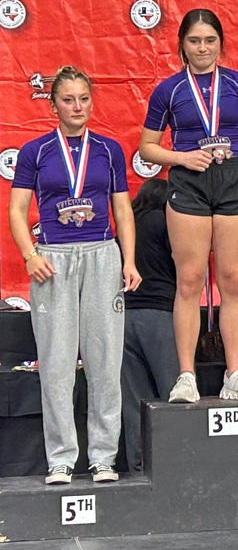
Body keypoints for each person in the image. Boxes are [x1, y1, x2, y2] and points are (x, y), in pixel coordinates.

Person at [8, 65, 141, 485]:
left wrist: (129, 260)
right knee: (57, 364)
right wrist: (29, 255)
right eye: (68, 99)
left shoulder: (109, 149)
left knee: (104, 361)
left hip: (102, 255)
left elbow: (122, 209)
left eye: (84, 98)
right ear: (53, 105)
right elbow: (15, 210)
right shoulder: (36, 151)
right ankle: (61, 458)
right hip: (52, 260)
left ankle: (103, 456)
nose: (77, 106)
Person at [139, 8, 238, 403]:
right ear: (181, 45)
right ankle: (186, 377)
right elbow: (147, 147)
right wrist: (181, 157)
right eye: (194, 41)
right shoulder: (169, 90)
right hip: (188, 185)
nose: (202, 48)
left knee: (231, 280)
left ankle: (234, 374)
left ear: (221, 45)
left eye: (210, 40)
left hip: (234, 184)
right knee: (190, 281)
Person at [121, 178, 179, 471]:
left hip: (123, 317)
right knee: (172, 393)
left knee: (133, 400)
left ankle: (138, 467)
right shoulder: (165, 222)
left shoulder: (126, 225)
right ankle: (171, 465)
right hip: (160, 314)